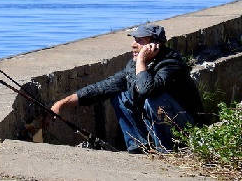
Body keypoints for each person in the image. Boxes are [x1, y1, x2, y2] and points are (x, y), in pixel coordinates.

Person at [51, 24, 202, 153]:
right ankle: (138, 148)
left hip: (186, 128)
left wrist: (141, 59)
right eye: (134, 40)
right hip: (162, 122)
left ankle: (166, 150)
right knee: (119, 95)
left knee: (154, 99)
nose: (133, 45)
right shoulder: (133, 66)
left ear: (155, 45)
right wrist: (62, 103)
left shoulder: (170, 64)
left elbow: (146, 89)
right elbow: (103, 87)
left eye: (140, 41)